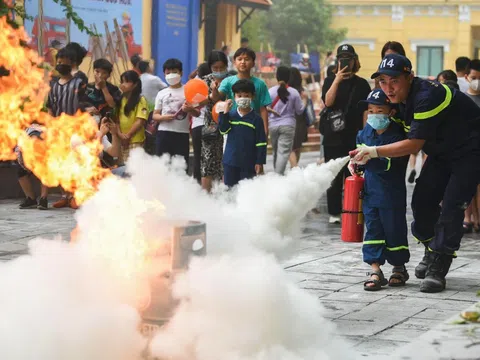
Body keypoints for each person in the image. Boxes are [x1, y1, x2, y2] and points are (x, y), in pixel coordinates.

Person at [350, 53, 480, 293]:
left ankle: (438, 265)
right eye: (382, 81)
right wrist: (363, 153)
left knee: (452, 207)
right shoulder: (398, 101)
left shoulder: (426, 96)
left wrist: (373, 152)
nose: (388, 88)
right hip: (441, 153)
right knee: (421, 204)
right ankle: (433, 250)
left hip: (470, 151)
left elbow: (413, 145)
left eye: (394, 81)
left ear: (409, 76)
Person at [350, 89, 409, 291]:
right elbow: (359, 158)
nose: (374, 115)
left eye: (379, 110)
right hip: (370, 193)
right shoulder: (363, 133)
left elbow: (394, 163)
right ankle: (375, 270)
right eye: (371, 110)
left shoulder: (398, 136)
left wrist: (372, 157)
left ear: (391, 112)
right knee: (373, 230)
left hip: (392, 194)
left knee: (394, 230)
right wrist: (356, 164)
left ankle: (399, 268)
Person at [321, 44, 371, 224]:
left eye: (348, 58)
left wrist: (366, 135)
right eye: (341, 58)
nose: (345, 62)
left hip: (354, 136)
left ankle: (354, 210)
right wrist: (336, 80)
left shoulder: (362, 84)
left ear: (354, 60)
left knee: (355, 175)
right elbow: (328, 102)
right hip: (333, 137)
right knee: (333, 176)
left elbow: (366, 111)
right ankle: (334, 212)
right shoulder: (329, 81)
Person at [47, 47, 86, 209]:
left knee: (76, 162)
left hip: (76, 130)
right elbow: (50, 108)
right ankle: (65, 195)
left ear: (72, 63)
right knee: (62, 163)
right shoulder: (53, 85)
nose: (61, 64)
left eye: (65, 61)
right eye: (59, 61)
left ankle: (75, 196)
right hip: (59, 130)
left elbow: (85, 106)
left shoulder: (79, 83)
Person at [153, 58, 200, 170]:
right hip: (164, 133)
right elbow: (155, 115)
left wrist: (190, 109)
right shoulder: (161, 93)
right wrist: (164, 117)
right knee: (163, 167)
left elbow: (197, 113)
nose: (171, 75)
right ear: (164, 74)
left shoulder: (188, 90)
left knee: (181, 168)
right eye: (168, 73)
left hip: (181, 134)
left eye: (174, 72)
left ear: (181, 73)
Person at [212, 47, 271, 136]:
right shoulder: (227, 81)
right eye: (239, 59)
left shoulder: (260, 84)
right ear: (235, 62)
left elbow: (263, 109)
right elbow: (216, 98)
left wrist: (265, 131)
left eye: (247, 59)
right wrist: (214, 89)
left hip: (253, 126)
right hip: (233, 127)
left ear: (253, 63)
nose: (243, 62)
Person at [218, 79, 267, 187]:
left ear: (252, 97)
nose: (243, 98)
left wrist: (260, 161)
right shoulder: (230, 115)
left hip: (249, 163)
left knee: (246, 192)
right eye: (239, 96)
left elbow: (261, 142)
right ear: (234, 97)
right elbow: (223, 130)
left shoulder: (256, 119)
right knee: (229, 191)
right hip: (230, 161)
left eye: (246, 95)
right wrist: (225, 112)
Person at [200, 51, 230, 192]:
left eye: (221, 68)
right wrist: (212, 94)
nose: (218, 71)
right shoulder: (204, 81)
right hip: (210, 126)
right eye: (215, 68)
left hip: (230, 125)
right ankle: (205, 197)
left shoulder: (231, 80)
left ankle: (224, 195)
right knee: (208, 161)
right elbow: (198, 101)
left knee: (225, 161)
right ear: (210, 67)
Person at [268, 66, 305, 175]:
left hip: (273, 125)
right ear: (289, 77)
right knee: (283, 152)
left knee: (276, 152)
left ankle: (277, 174)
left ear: (276, 76)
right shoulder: (293, 92)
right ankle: (278, 176)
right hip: (288, 125)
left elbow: (266, 108)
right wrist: (305, 102)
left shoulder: (270, 91)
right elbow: (299, 111)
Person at [462, 59, 480, 233]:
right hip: (466, 148)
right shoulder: (462, 99)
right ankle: (467, 217)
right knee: (467, 184)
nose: (477, 81)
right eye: (474, 77)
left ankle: (478, 217)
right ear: (467, 77)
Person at [117, 70, 148, 163]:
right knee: (123, 168)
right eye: (122, 82)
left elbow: (140, 121)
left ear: (135, 84)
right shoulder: (120, 99)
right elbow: (116, 119)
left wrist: (128, 136)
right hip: (121, 140)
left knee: (134, 168)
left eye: (127, 82)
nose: (123, 84)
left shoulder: (140, 100)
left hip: (135, 140)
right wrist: (120, 134)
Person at [16, 125, 49, 210]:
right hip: (29, 153)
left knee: (45, 171)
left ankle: (43, 199)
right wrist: (26, 166)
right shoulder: (22, 144)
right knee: (21, 172)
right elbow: (20, 159)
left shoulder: (47, 141)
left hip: (47, 155)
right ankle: (31, 199)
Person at [84, 59, 122, 125]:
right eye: (97, 71)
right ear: (93, 71)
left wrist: (103, 87)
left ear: (109, 75)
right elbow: (79, 104)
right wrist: (86, 109)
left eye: (104, 73)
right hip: (87, 125)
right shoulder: (87, 87)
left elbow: (112, 105)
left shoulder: (114, 89)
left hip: (106, 125)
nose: (100, 75)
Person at [191, 62, 211, 184]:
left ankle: (197, 183)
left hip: (197, 125)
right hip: (211, 125)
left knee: (197, 156)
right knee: (210, 157)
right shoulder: (215, 85)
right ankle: (210, 184)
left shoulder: (194, 86)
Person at [288, 67, 308, 168]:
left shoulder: (285, 91)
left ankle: (294, 168)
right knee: (297, 147)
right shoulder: (302, 91)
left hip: (289, 121)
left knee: (290, 147)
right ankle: (294, 167)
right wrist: (305, 100)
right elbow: (302, 110)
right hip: (300, 123)